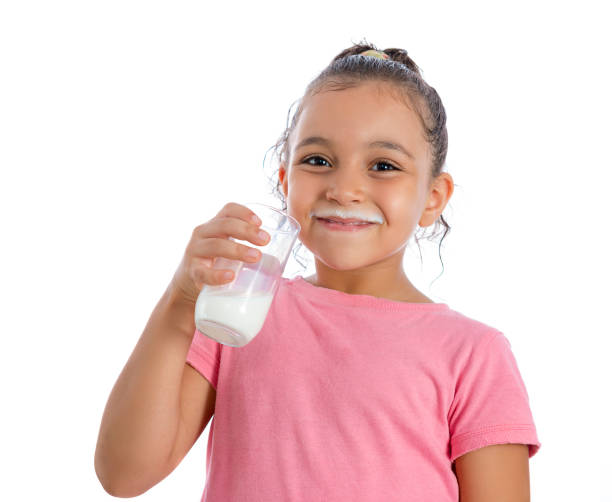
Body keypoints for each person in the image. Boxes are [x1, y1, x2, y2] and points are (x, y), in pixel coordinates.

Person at [94, 40, 541, 501]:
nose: (344, 188)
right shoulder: (240, 310)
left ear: (433, 197)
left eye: (383, 165)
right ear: (286, 181)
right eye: (317, 161)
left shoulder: (474, 353)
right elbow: (124, 474)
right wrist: (181, 300)